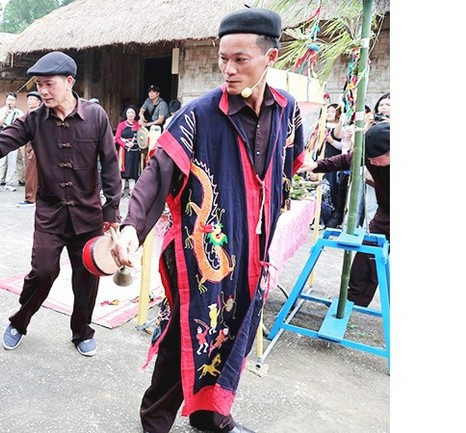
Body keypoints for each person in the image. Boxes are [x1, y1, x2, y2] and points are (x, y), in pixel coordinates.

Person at [111, 8, 303, 433]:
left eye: (241, 59)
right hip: (201, 256)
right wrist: (131, 228)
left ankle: (211, 417)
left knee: (231, 334)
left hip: (251, 253)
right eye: (223, 59)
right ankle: (154, 423)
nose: (228, 70)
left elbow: (288, 165)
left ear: (270, 58)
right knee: (187, 333)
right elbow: (157, 173)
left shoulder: (287, 110)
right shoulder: (197, 114)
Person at [0, 51, 121, 357]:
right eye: (39, 85)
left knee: (86, 278)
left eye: (49, 84)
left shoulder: (95, 116)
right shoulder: (34, 120)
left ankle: (82, 331)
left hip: (88, 215)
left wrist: (111, 212)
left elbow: (110, 164)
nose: (43, 91)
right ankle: (19, 322)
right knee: (42, 272)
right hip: (51, 215)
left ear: (68, 82)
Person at [298, 121, 389, 307]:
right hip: (385, 213)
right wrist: (315, 165)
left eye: (375, 159)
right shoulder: (369, 155)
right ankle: (353, 300)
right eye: (368, 158)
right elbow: (345, 160)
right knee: (368, 253)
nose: (370, 162)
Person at [0, 92, 24, 192]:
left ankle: (9, 183)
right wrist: (5, 115)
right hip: (2, 137)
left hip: (14, 139)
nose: (10, 102)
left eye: (12, 100)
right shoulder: (1, 111)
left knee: (12, 161)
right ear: (6, 101)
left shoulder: (19, 112)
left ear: (15, 101)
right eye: (9, 100)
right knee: (0, 161)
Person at [17, 90, 43, 207]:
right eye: (28, 99)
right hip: (29, 145)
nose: (29, 101)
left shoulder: (39, 114)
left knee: (31, 173)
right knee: (31, 172)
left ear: (38, 102)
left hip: (37, 146)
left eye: (32, 99)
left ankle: (31, 198)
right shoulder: (29, 114)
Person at [115, 105, 141, 198]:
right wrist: (125, 144)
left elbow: (142, 137)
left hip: (134, 150)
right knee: (123, 171)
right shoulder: (121, 125)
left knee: (133, 171)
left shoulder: (138, 125)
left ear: (135, 114)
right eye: (129, 112)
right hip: (124, 150)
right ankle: (121, 190)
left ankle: (131, 191)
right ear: (126, 114)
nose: (130, 114)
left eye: (132, 113)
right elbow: (117, 138)